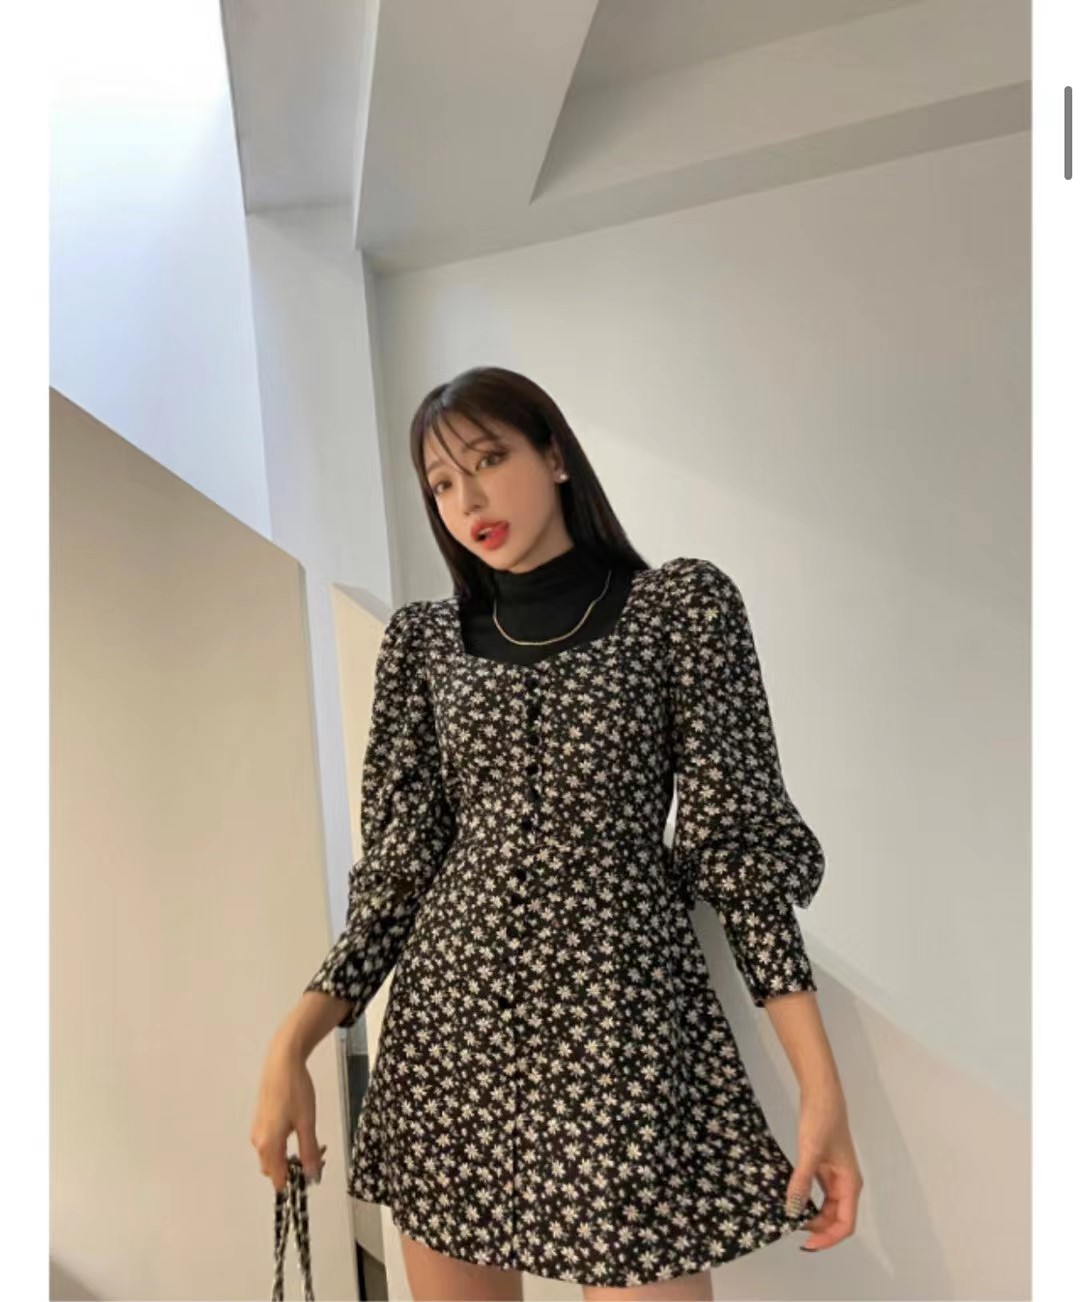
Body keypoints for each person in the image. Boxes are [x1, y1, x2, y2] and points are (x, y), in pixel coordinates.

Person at [251, 367, 862, 1301]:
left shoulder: (681, 609)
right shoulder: (422, 644)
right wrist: (292, 1042)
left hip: (620, 1026)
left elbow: (737, 847)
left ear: (555, 456)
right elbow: (398, 875)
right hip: (451, 1031)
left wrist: (820, 1086)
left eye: (488, 461)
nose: (468, 501)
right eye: (441, 484)